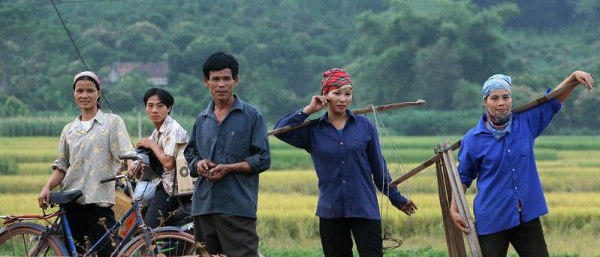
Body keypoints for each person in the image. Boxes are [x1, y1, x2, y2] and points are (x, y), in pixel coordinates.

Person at [273, 68, 418, 257]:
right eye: (337, 93)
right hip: (331, 211)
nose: (343, 99)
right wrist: (309, 110)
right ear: (325, 96)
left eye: (348, 94)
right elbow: (279, 130)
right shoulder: (313, 131)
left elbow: (378, 167)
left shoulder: (364, 127)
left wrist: (397, 198)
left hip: (364, 208)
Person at [450, 71, 595, 257]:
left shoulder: (525, 123)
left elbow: (551, 102)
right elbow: (463, 176)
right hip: (492, 218)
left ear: (511, 99)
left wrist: (573, 78)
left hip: (527, 215)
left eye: (505, 97)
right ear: (485, 102)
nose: (501, 103)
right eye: (494, 98)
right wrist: (454, 209)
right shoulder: (473, 139)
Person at [38, 71, 134, 256]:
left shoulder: (112, 122)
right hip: (71, 201)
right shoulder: (69, 130)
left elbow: (126, 151)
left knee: (112, 252)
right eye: (79, 90)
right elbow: (62, 165)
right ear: (74, 93)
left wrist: (131, 165)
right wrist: (47, 187)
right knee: (75, 252)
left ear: (99, 92)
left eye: (90, 90)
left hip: (99, 201)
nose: (84, 95)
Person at [184, 51, 271, 256]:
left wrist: (229, 168)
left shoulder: (251, 116)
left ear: (236, 80)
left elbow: (263, 159)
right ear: (206, 82)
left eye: (226, 79)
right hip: (203, 207)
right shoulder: (202, 118)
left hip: (237, 207)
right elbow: (190, 155)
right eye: (215, 79)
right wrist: (199, 164)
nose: (221, 84)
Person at [129, 88, 189, 228]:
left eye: (160, 106)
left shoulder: (173, 129)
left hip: (174, 189)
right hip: (165, 184)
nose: (154, 110)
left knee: (148, 229)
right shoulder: (158, 132)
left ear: (169, 108)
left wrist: (151, 144)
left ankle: (150, 248)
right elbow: (143, 150)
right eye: (150, 106)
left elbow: (168, 163)